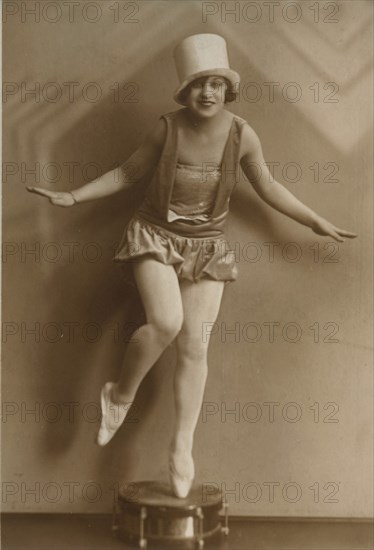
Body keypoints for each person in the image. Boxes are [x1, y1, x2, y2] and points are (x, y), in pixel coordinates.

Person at [27, 34, 357, 499]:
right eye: (200, 84)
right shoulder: (168, 129)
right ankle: (119, 394)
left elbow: (268, 186)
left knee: (195, 347)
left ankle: (182, 448)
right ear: (185, 90)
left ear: (228, 90)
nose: (208, 93)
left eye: (217, 85)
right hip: (155, 237)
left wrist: (313, 219)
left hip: (206, 247)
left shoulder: (243, 135)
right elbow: (127, 173)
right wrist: (74, 195)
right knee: (166, 321)